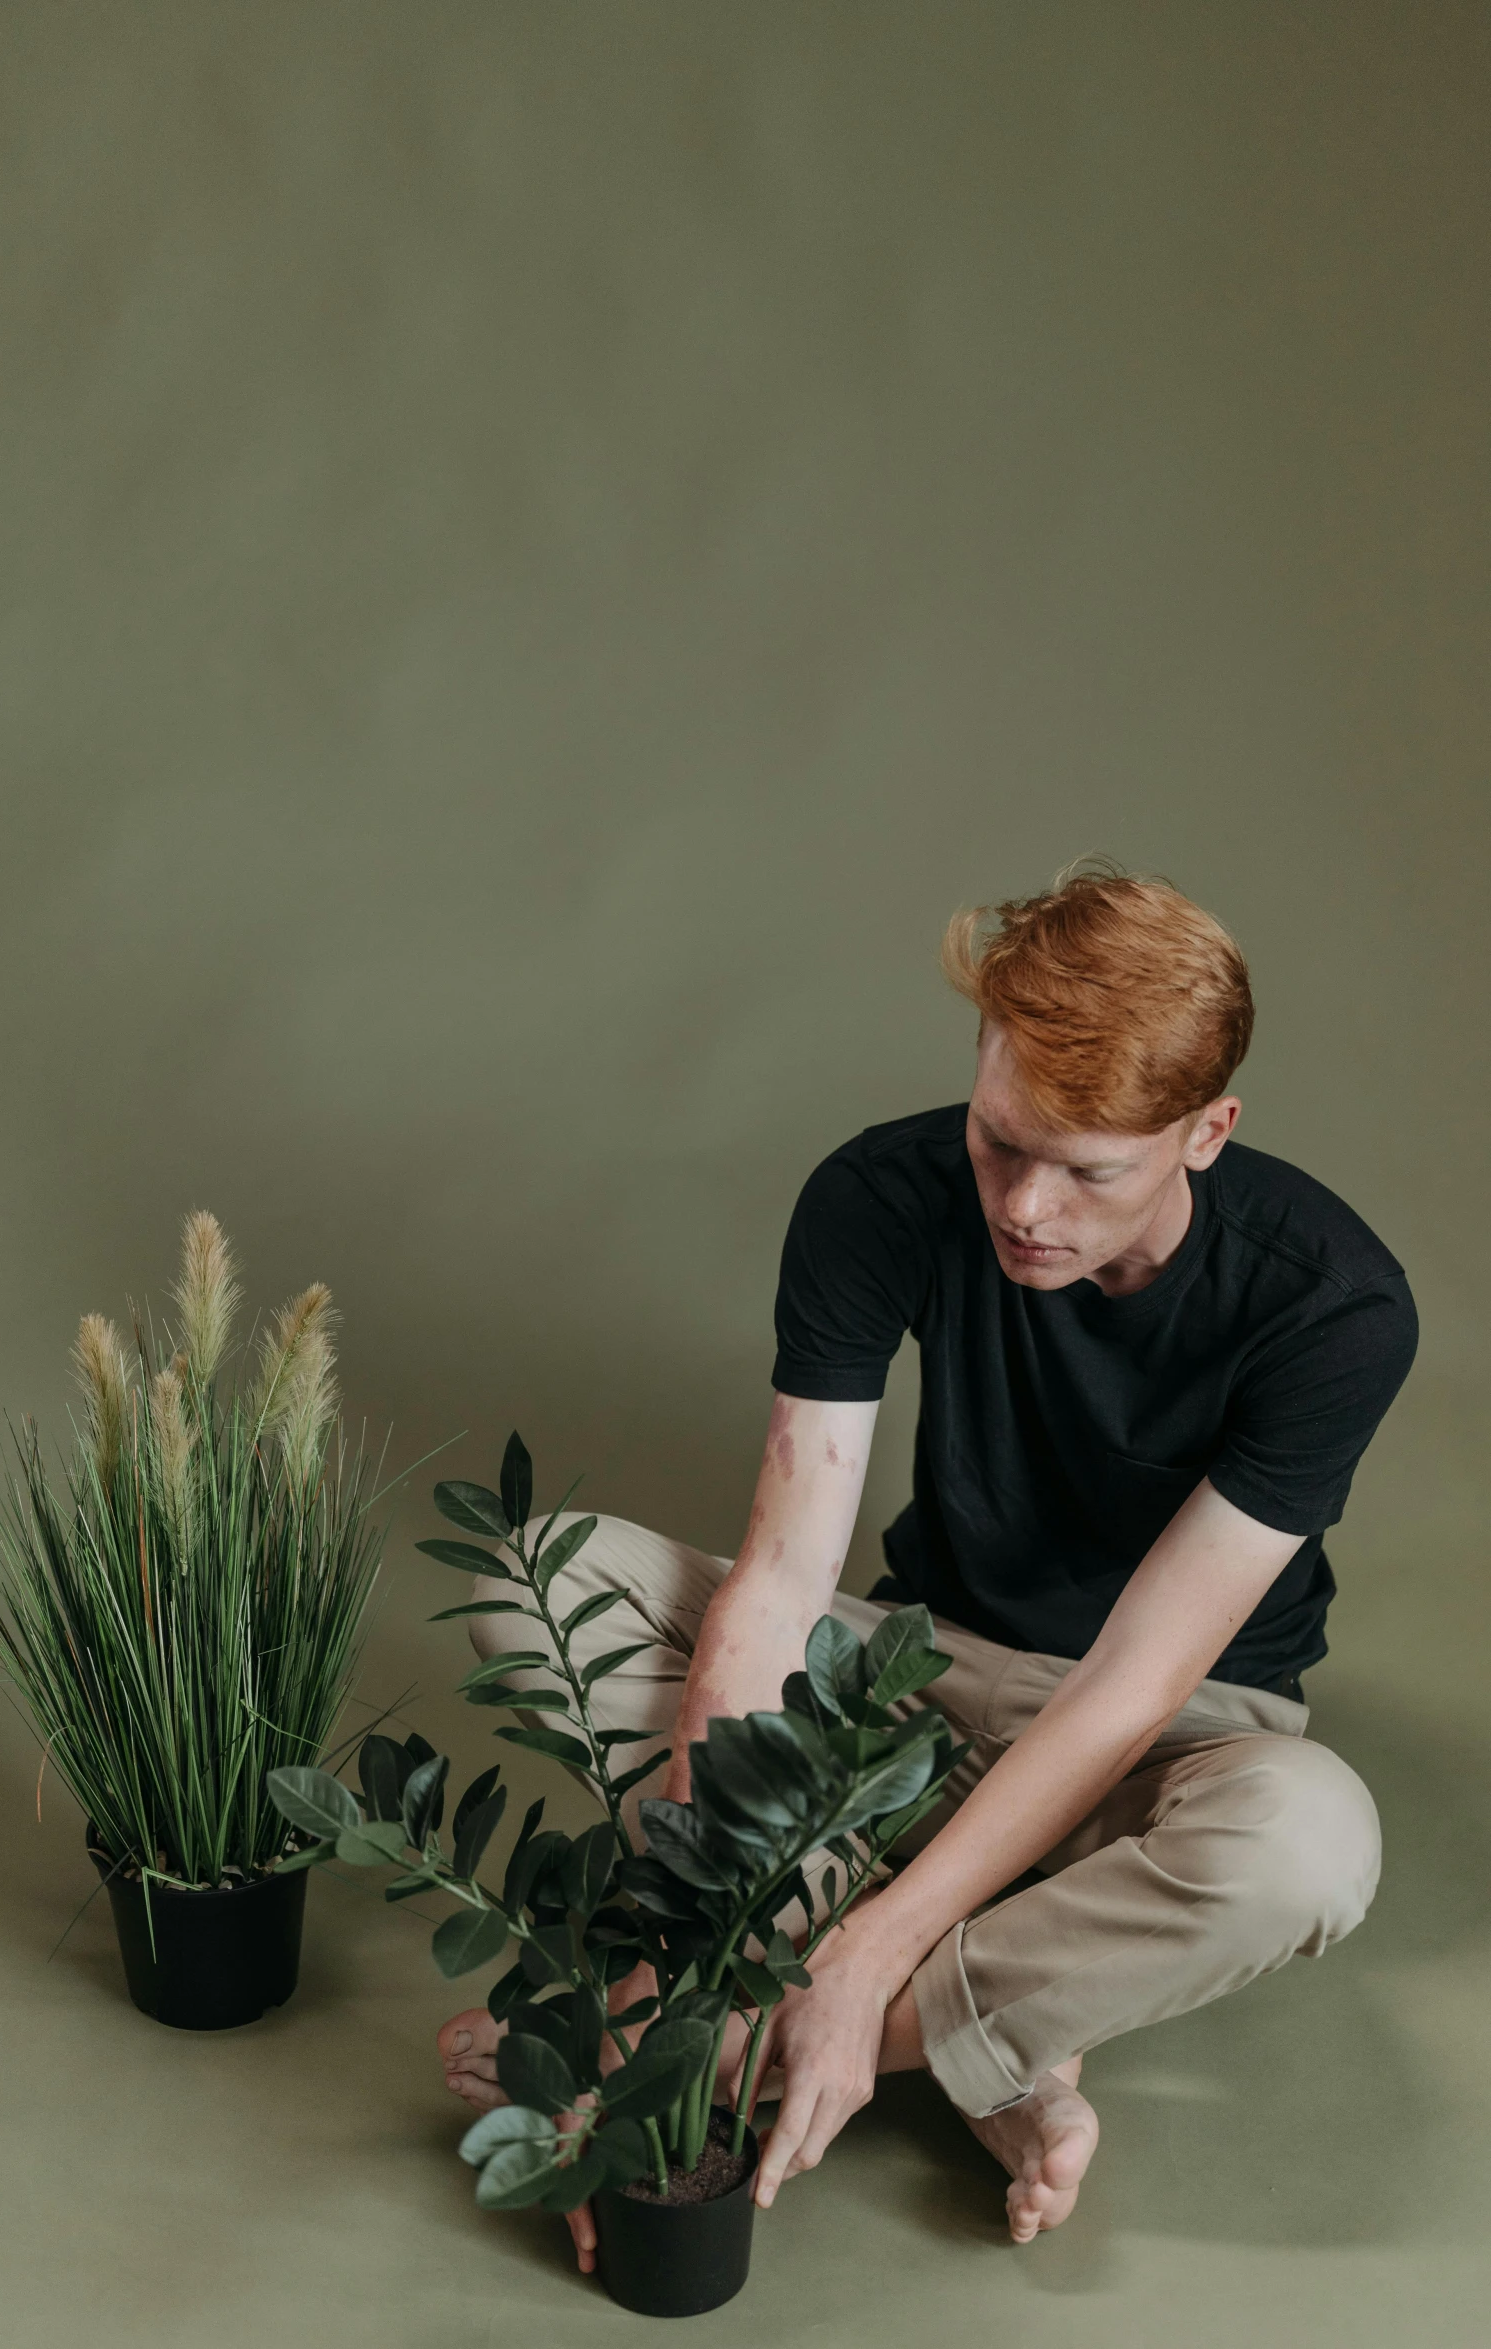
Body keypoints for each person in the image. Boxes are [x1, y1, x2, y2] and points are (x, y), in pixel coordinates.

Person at [439, 863, 1417, 2260]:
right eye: (1000, 1137)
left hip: (1166, 1739)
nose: (1026, 1205)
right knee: (538, 1578)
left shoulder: (1338, 1308)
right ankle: (995, 2049)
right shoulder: (878, 1193)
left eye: (1090, 1171)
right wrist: (700, 1910)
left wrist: (722, 2003)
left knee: (1311, 1844)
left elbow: (1131, 1687)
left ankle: (773, 2037)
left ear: (1209, 1133)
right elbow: (779, 1583)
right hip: (904, 1683)